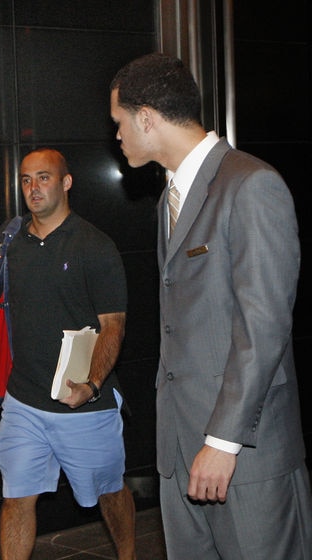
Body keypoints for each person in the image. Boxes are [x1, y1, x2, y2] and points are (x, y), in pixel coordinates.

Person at [110, 53, 312, 559]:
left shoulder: (251, 185)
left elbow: (262, 328)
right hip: (181, 454)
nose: (116, 136)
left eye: (119, 123)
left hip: (244, 456)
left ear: (147, 118)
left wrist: (223, 443)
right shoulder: (169, 200)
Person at [0, 148, 136, 559]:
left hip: (83, 404)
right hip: (23, 400)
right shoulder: (9, 237)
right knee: (17, 496)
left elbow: (113, 326)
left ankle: (128, 554)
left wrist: (91, 385)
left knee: (108, 490)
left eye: (43, 178)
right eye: (25, 180)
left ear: (66, 182)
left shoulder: (95, 246)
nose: (33, 188)